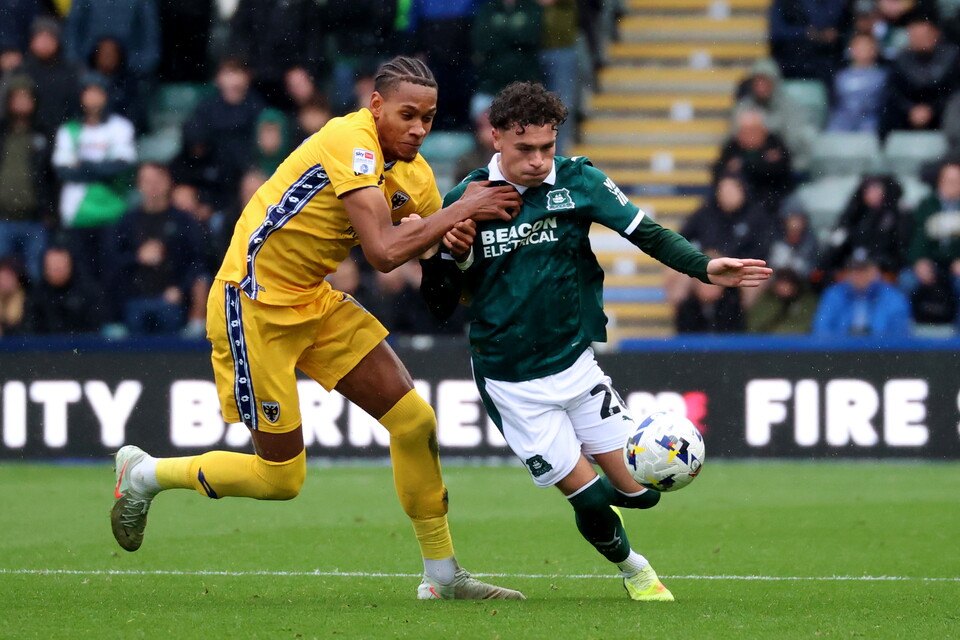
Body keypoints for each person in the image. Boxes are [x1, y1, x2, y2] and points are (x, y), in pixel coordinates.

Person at [109, 56, 526, 601]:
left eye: (429, 117)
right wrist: (460, 210)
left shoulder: (418, 177)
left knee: (414, 420)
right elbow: (380, 252)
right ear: (375, 106)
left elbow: (435, 268)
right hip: (253, 304)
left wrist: (457, 252)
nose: (420, 128)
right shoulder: (346, 138)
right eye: (407, 115)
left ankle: (443, 576)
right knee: (281, 480)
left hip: (316, 301)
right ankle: (144, 475)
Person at [417, 82, 771, 600]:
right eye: (524, 150)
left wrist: (703, 267)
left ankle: (611, 496)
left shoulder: (580, 180)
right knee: (588, 497)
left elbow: (644, 231)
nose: (539, 161)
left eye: (547, 147)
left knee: (641, 494)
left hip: (575, 365)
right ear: (495, 138)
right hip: (511, 378)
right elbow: (443, 302)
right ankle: (636, 570)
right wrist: (454, 257)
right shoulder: (465, 200)